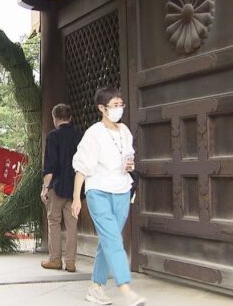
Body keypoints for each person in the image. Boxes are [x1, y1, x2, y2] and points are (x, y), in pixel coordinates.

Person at [71, 87, 146, 306]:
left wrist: (129, 164)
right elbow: (82, 168)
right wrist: (76, 197)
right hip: (98, 191)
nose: (119, 109)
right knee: (114, 239)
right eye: (115, 105)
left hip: (122, 190)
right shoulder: (93, 133)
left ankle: (96, 288)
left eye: (121, 105)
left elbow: (128, 157)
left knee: (107, 240)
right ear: (102, 108)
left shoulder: (124, 131)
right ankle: (126, 289)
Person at [41, 103, 82, 272]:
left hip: (57, 186)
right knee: (72, 225)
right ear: (70, 118)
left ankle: (55, 259)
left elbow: (50, 166)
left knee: (54, 222)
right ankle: (71, 262)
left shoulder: (53, 137)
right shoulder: (79, 136)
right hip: (74, 188)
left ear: (54, 118)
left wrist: (45, 188)